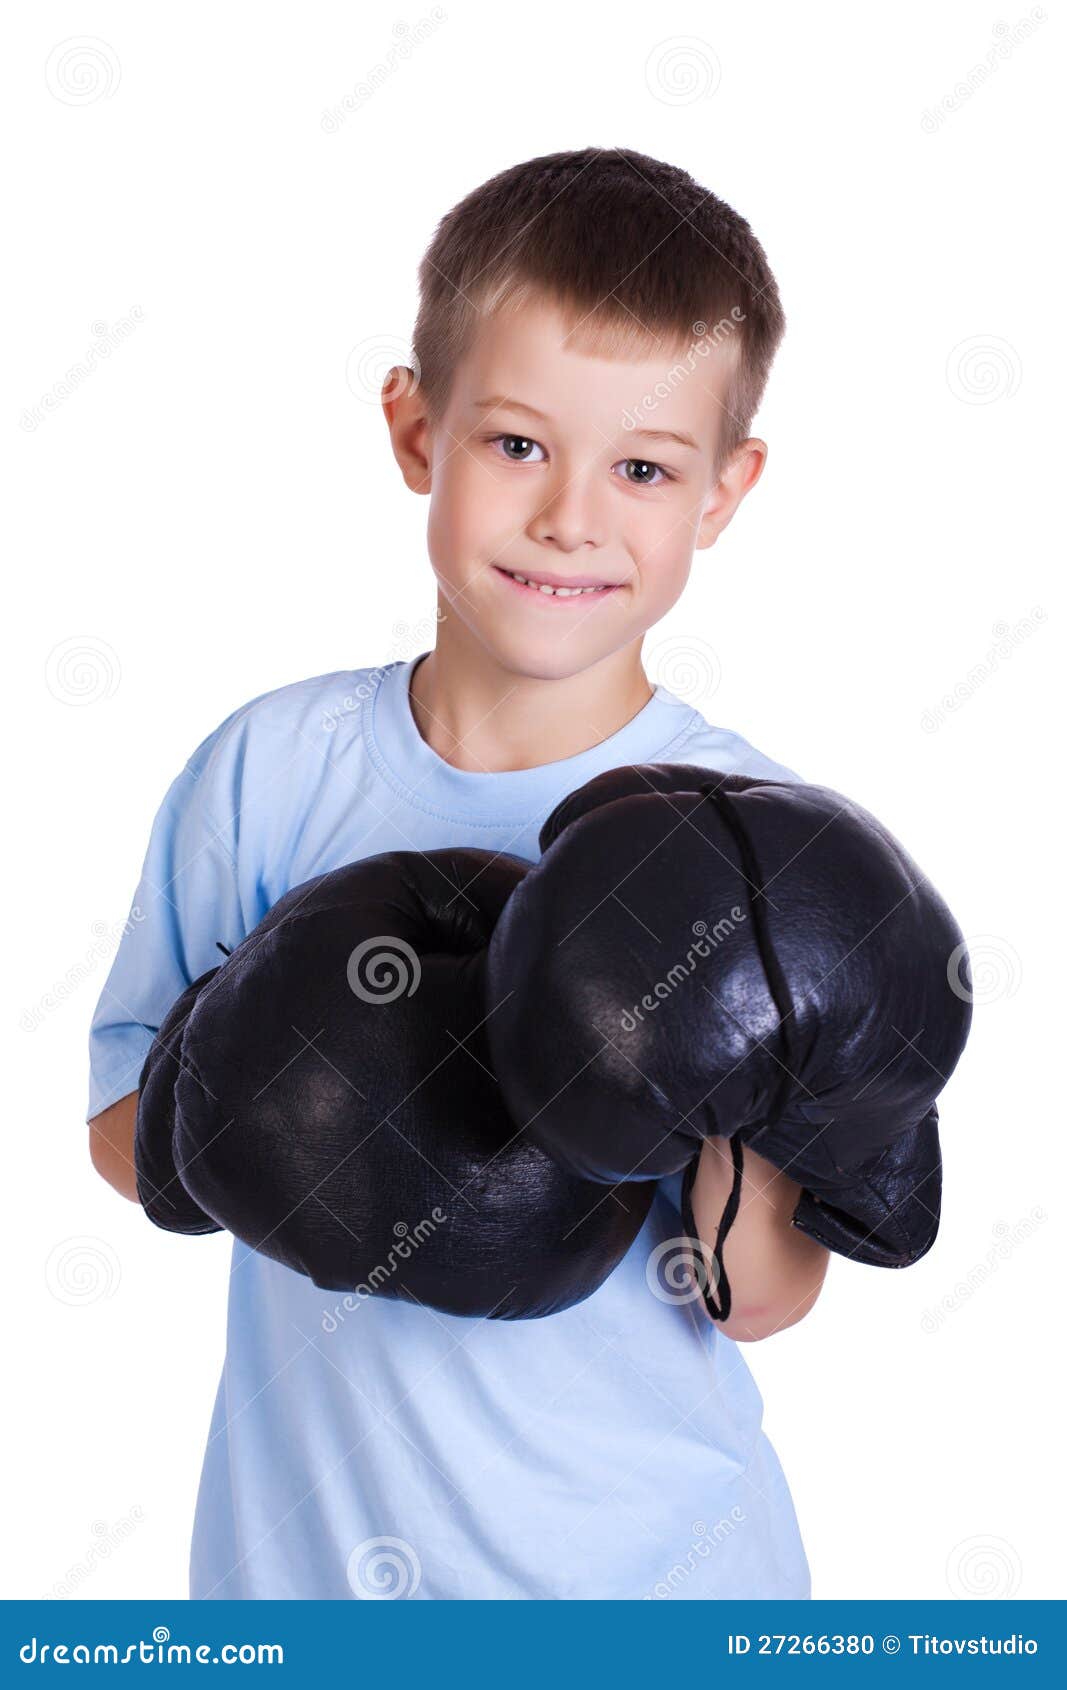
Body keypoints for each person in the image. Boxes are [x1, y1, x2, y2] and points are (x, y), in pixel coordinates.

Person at [87, 146, 829, 1600]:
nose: (571, 516)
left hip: (664, 1589)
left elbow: (761, 1299)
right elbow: (124, 1130)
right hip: (305, 1583)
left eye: (643, 467)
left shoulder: (755, 833)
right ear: (413, 430)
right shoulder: (272, 770)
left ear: (725, 492)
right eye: (514, 445)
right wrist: (308, 1118)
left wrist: (731, 1103)